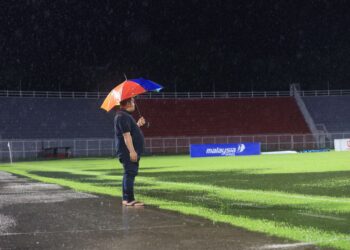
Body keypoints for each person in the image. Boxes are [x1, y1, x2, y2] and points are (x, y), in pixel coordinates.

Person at [114, 97, 146, 206]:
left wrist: (138, 124)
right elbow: (126, 135)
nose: (134, 103)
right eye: (132, 101)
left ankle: (126, 198)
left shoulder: (123, 116)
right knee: (130, 172)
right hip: (127, 151)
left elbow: (130, 132)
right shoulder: (122, 116)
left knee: (128, 173)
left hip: (126, 150)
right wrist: (132, 151)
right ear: (127, 103)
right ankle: (129, 199)